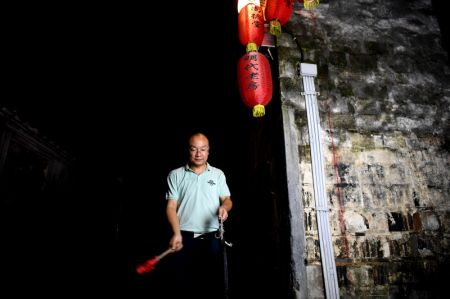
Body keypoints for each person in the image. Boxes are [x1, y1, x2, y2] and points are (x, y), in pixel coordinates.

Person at [165, 132, 232, 299]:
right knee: (182, 284)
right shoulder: (175, 175)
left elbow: (227, 199)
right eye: (194, 149)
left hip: (211, 237)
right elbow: (171, 206)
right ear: (188, 150)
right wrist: (176, 233)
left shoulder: (217, 174)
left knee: (211, 284)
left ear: (208, 151)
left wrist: (225, 207)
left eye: (203, 149)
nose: (198, 154)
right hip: (184, 237)